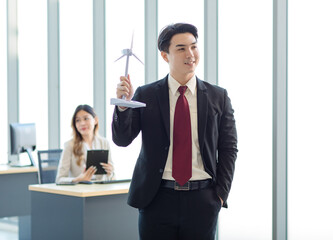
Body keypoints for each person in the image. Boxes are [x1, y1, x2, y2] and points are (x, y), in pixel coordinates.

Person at [112, 23, 237, 240]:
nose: (190, 54)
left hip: (203, 200)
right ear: (164, 55)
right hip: (156, 199)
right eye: (181, 48)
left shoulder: (218, 96)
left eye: (194, 47)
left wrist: (219, 195)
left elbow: (228, 148)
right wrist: (124, 106)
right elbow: (122, 139)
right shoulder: (146, 94)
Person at [56, 104, 114, 183]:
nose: (82, 123)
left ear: (95, 120)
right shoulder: (69, 145)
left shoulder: (104, 143)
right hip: (80, 192)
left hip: (99, 191)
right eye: (78, 120)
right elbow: (59, 179)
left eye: (86, 118)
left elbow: (112, 177)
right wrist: (78, 179)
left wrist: (110, 173)